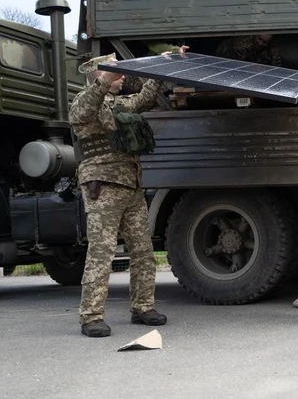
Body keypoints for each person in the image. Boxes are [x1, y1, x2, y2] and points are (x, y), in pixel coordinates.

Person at [69, 46, 187, 337]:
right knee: (102, 252)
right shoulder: (85, 103)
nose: (123, 77)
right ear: (101, 75)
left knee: (143, 251)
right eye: (117, 72)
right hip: (103, 186)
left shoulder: (118, 104)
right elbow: (84, 108)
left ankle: (143, 307)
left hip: (131, 185)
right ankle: (91, 316)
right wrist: (104, 80)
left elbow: (146, 97)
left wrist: (161, 65)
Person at [215, 34, 282, 66]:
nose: (260, 43)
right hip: (225, 54)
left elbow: (276, 66)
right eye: (259, 39)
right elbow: (238, 66)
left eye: (264, 42)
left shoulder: (273, 48)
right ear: (256, 36)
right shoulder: (242, 45)